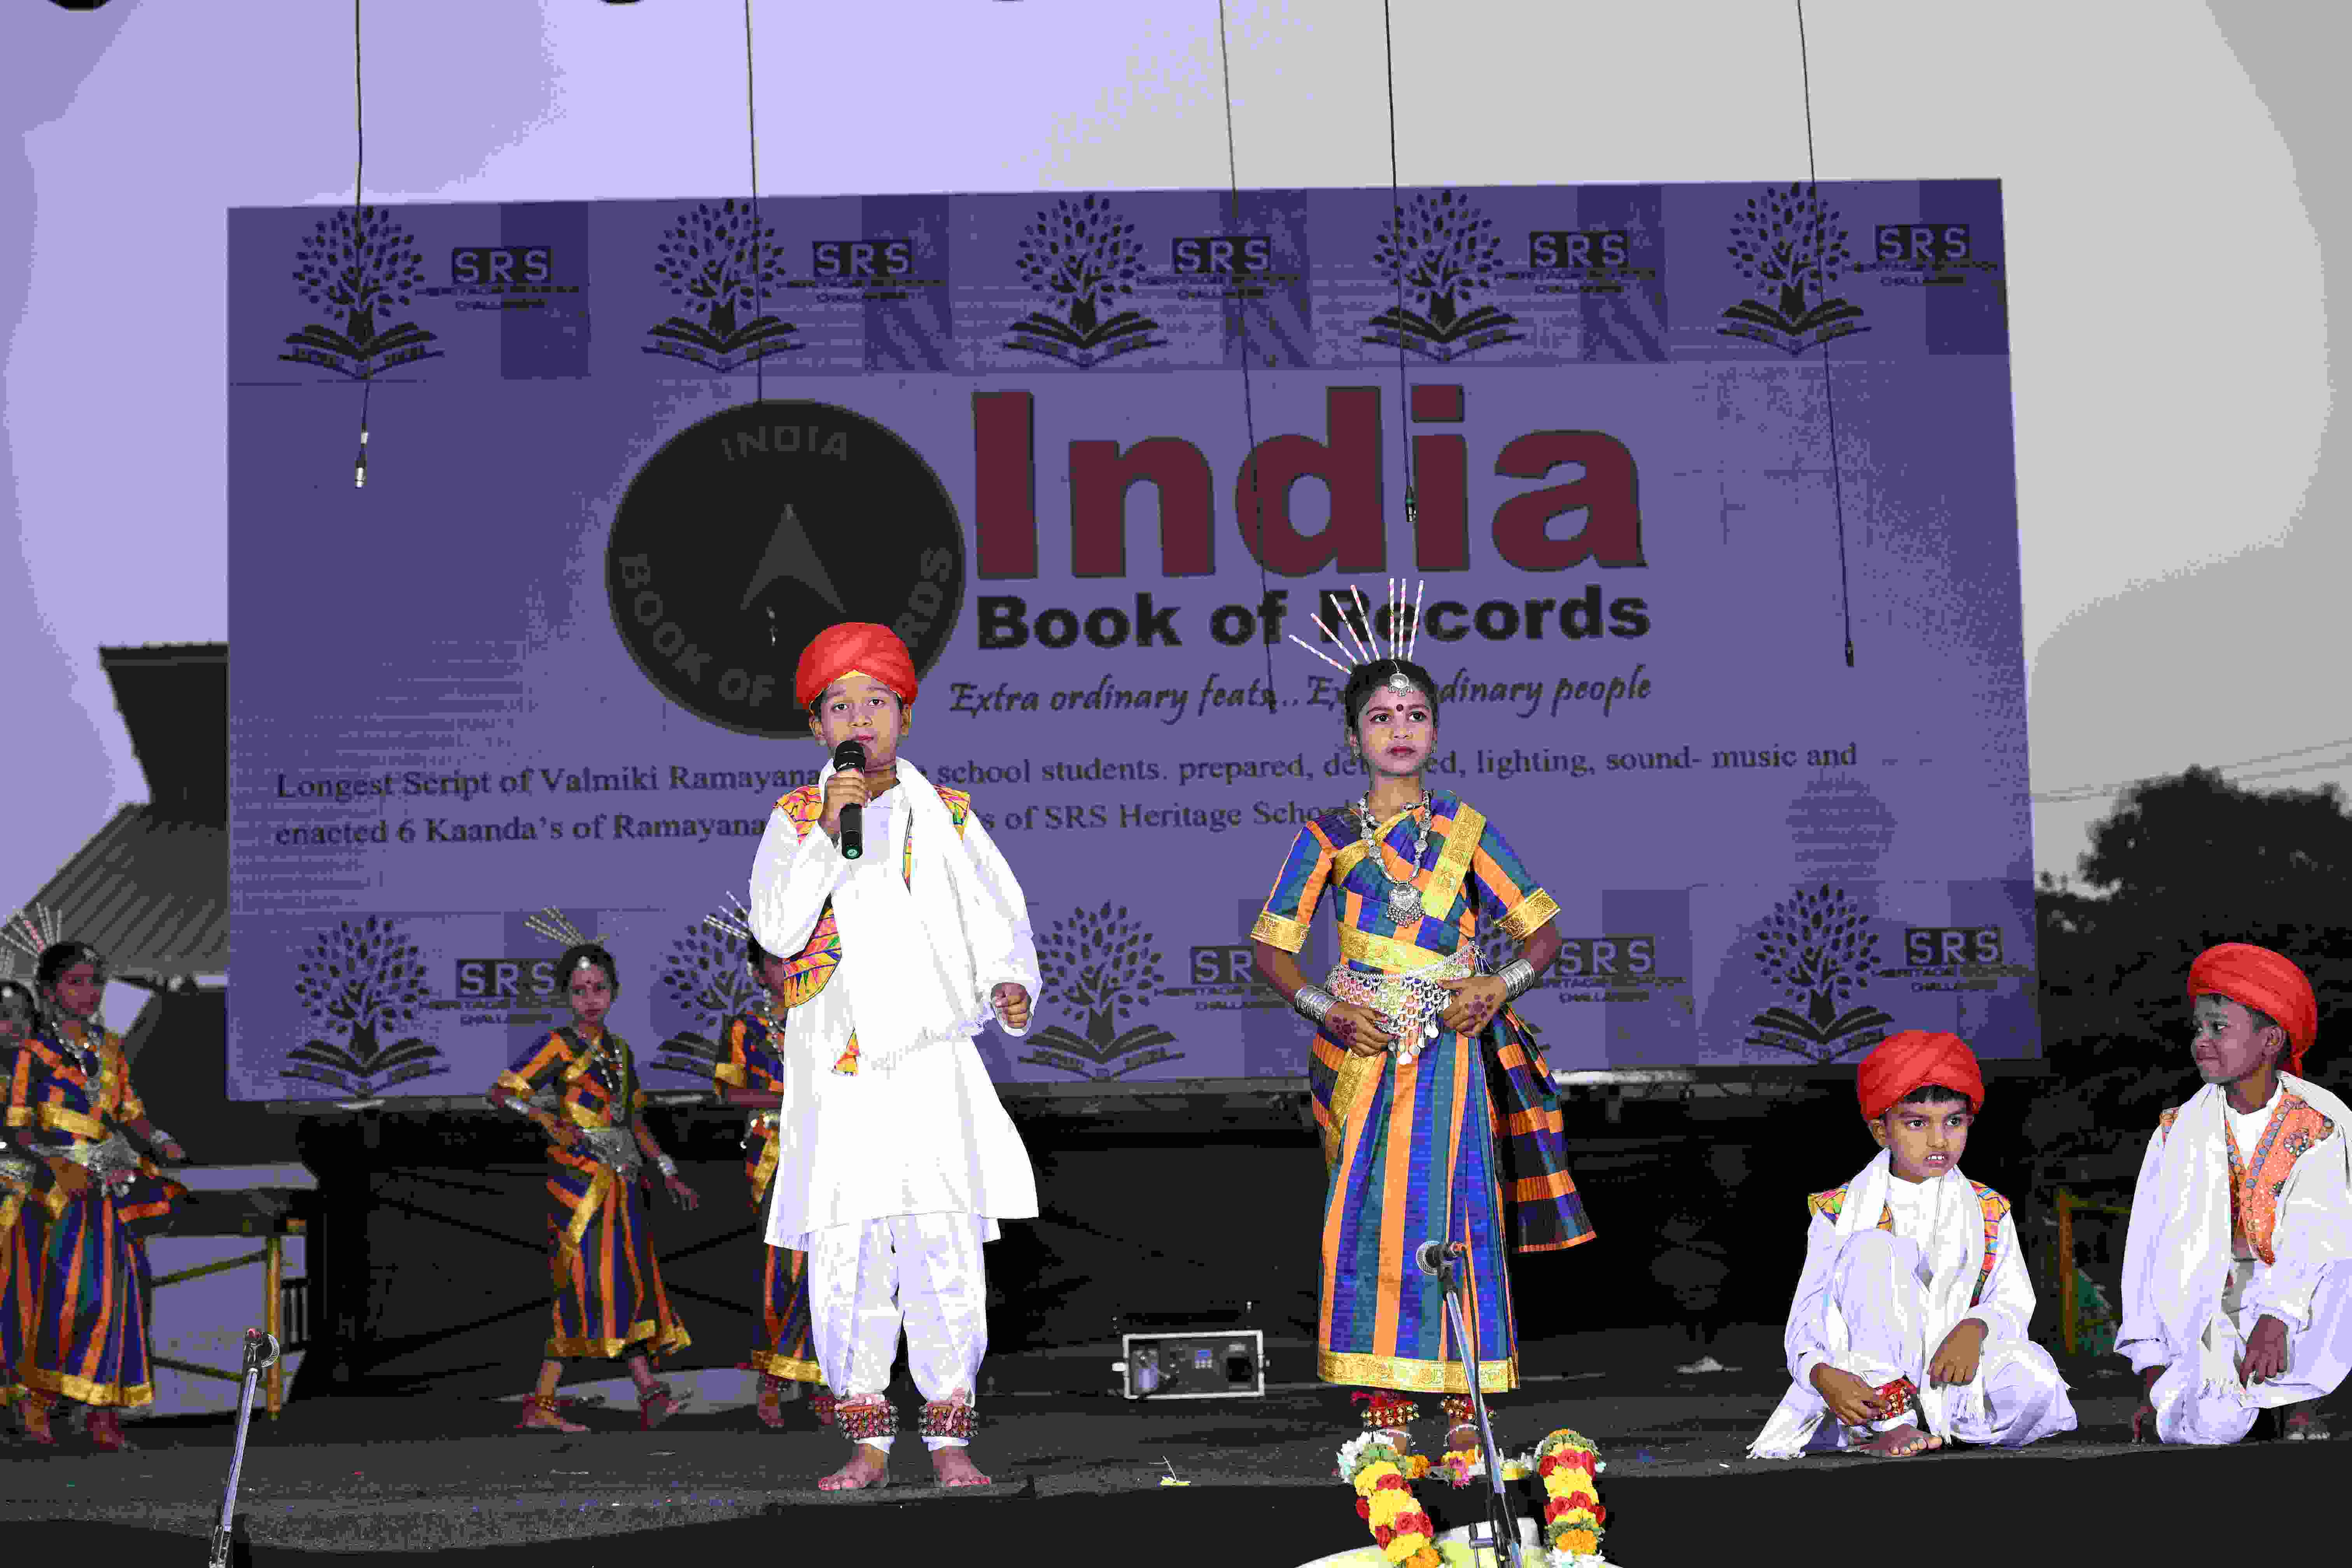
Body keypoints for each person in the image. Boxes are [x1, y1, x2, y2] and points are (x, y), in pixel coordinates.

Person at [1252, 590, 1592, 1468]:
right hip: (1362, 1052)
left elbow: (1543, 934)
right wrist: (1331, 1010)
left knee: (1458, 1213)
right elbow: (1273, 951)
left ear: (1435, 731)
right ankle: (1386, 1409)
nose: (1399, 729)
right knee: (1370, 1219)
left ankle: (1467, 1410)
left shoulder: (1467, 832)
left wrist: (1498, 984)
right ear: (1352, 736)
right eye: (1380, 716)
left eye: (1414, 715)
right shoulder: (1328, 835)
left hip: (1450, 1048)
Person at [747, 621, 1040, 1492]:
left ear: (905, 717)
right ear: (817, 728)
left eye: (876, 701)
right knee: (848, 1251)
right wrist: (826, 829)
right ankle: (867, 1441)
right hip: (838, 1072)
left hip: (928, 1068)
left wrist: (1010, 983)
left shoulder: (947, 815)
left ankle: (950, 1438)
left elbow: (999, 916)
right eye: (840, 706)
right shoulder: (795, 819)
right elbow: (776, 929)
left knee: (941, 1246)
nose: (860, 718)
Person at [1748, 1029, 2078, 1459]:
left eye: (1954, 1122)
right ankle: (1890, 1424)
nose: (1939, 1140)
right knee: (1873, 1249)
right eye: (1917, 1123)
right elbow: (1806, 1322)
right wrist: (1823, 1375)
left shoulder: (1987, 1208)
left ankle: (1942, 1421)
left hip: (1952, 1372)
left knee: (2034, 1380)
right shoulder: (1840, 1211)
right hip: (1868, 1382)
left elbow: (2013, 1300)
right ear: (1881, 1131)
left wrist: (1975, 1328)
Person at [2119, 942, 2350, 1445]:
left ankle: (2300, 1403)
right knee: (2213, 1423)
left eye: (2218, 1028)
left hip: (2293, 1309)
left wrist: (2278, 1317)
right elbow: (2146, 1253)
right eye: (2198, 1029)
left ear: (2270, 1041)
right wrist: (2153, 1373)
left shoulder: (2318, 1127)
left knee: (2342, 1261)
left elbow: (2317, 1233)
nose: (2201, 1042)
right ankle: (2234, 1402)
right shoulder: (2174, 1132)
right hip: (2209, 1312)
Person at [486, 941, 697, 1433]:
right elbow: (501, 1093)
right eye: (580, 991)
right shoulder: (558, 1045)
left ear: (614, 992)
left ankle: (648, 1394)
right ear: (566, 996)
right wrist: (545, 1119)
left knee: (625, 1284)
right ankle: (545, 1401)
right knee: (584, 1286)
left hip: (622, 1181)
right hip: (577, 1184)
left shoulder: (620, 1052)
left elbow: (634, 1119)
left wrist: (668, 1170)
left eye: (599, 989)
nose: (590, 999)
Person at [5, 942, 190, 1451]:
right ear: (49, 991)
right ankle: (37, 1405)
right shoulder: (31, 1054)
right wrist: (58, 1165)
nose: (89, 993)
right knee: (63, 1300)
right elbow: (18, 1129)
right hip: (56, 1195)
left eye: (96, 983)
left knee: (122, 1301)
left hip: (109, 1192)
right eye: (76, 983)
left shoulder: (109, 1048)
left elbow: (130, 1113)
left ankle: (102, 1414)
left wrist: (160, 1140)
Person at [710, 929, 833, 1429]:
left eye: (796, 958)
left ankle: (821, 1380)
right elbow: (728, 1092)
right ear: (758, 972)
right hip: (772, 1156)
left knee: (825, 1266)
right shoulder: (744, 1026)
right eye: (777, 961)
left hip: (827, 1150)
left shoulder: (824, 1017)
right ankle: (773, 1379)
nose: (788, 970)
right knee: (781, 1269)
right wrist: (791, 1099)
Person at [1653, 1143, 1750, 1374]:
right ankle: (1705, 1356)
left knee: (1706, 1308)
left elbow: (1704, 1224)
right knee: (1698, 1309)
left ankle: (1712, 1356)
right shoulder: (1693, 1191)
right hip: (1699, 1258)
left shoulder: (1704, 1192)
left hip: (1707, 1260)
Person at [0, 976, 39, 1425]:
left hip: (35, 1205)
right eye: (4, 1017)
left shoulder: (49, 1071)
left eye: (24, 1017)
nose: (16, 1026)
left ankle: (28, 1402)